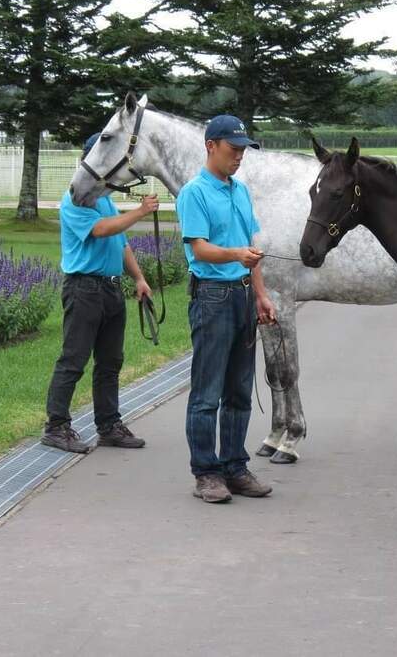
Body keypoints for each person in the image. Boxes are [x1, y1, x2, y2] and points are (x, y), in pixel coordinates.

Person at [177, 115, 277, 503]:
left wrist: (261, 295)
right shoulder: (194, 193)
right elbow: (198, 248)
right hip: (213, 297)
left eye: (243, 151)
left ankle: (235, 466)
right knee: (207, 391)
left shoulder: (241, 191)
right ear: (211, 146)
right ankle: (206, 472)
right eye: (233, 150)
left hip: (241, 295)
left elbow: (250, 247)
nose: (239, 157)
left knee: (239, 388)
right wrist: (235, 255)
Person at [41, 132, 160, 454]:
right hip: (84, 289)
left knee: (110, 362)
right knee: (73, 359)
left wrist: (139, 278)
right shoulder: (75, 200)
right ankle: (56, 426)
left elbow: (120, 243)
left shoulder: (104, 199)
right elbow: (101, 230)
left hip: (109, 288)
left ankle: (108, 426)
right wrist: (139, 213)